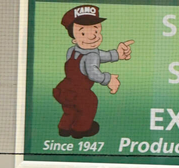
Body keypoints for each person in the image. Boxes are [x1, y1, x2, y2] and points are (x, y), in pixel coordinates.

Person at [52, 5, 133, 139]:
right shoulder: (91, 56)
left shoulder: (72, 51)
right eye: (83, 33)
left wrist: (117, 54)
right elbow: (93, 73)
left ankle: (64, 128)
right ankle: (80, 130)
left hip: (65, 88)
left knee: (69, 110)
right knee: (88, 106)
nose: (92, 37)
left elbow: (100, 55)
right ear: (74, 38)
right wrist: (108, 79)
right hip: (80, 92)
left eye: (96, 31)